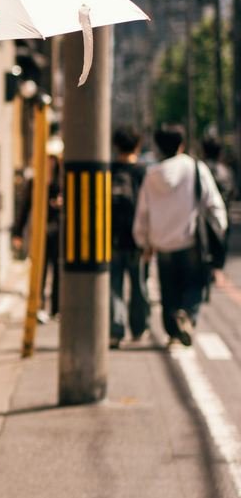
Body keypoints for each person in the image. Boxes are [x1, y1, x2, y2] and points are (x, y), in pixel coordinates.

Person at [133, 124, 227, 347]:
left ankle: (174, 334)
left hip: (162, 242)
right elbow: (213, 203)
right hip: (190, 239)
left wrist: (143, 241)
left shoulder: (152, 175)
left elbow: (143, 212)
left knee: (169, 290)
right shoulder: (194, 168)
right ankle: (187, 316)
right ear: (181, 144)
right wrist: (220, 229)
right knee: (195, 284)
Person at [11, 147, 63, 323]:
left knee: (57, 270)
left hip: (58, 232)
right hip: (40, 232)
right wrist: (17, 233)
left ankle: (56, 308)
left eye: (52, 159)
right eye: (46, 159)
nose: (49, 163)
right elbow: (25, 208)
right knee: (39, 270)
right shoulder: (35, 181)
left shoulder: (61, 181)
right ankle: (38, 306)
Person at [109, 126, 150, 348]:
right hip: (137, 238)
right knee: (139, 285)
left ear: (115, 146)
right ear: (138, 145)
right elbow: (149, 208)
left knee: (113, 286)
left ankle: (116, 330)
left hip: (111, 238)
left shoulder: (108, 170)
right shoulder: (142, 172)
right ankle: (139, 328)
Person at [202, 134, 236, 204]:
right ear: (219, 153)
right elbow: (231, 192)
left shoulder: (199, 169)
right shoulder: (225, 171)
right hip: (222, 209)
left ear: (204, 152)